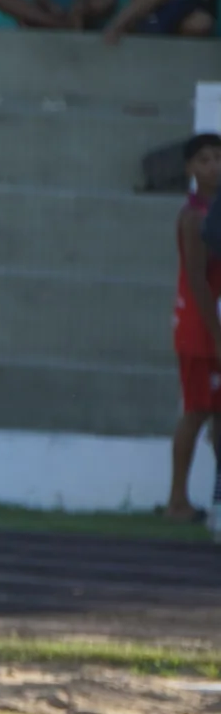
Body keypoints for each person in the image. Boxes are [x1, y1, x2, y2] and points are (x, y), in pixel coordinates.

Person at [166, 134, 221, 521]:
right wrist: (217, 337)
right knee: (198, 411)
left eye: (219, 158)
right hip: (202, 330)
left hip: (212, 325)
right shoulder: (194, 216)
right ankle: (177, 501)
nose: (213, 166)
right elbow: (200, 281)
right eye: (204, 159)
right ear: (190, 168)